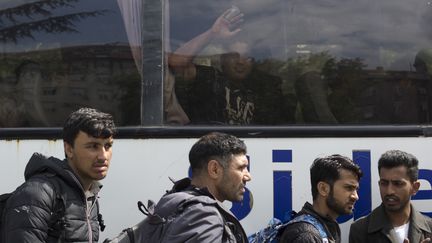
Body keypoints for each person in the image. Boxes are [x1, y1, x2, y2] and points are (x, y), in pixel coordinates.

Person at [0, 107, 116, 242]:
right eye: (93, 146)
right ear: (69, 149)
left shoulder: (89, 196)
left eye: (107, 146)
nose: (103, 156)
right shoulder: (37, 194)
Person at [168, 7, 293, 125]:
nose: (240, 62)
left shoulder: (263, 89)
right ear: (223, 59)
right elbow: (176, 62)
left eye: (247, 57)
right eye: (234, 55)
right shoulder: (210, 79)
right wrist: (212, 33)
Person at [148, 132, 250, 242]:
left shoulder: (179, 202)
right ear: (214, 169)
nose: (248, 176)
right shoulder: (205, 217)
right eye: (241, 168)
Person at [349, 150, 432, 243]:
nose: (389, 191)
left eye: (398, 184)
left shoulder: (429, 228)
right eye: (384, 183)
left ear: (415, 187)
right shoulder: (360, 229)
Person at [279, 154, 362, 243]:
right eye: (349, 188)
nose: (355, 196)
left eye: (356, 189)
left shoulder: (329, 226)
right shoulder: (306, 235)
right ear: (323, 189)